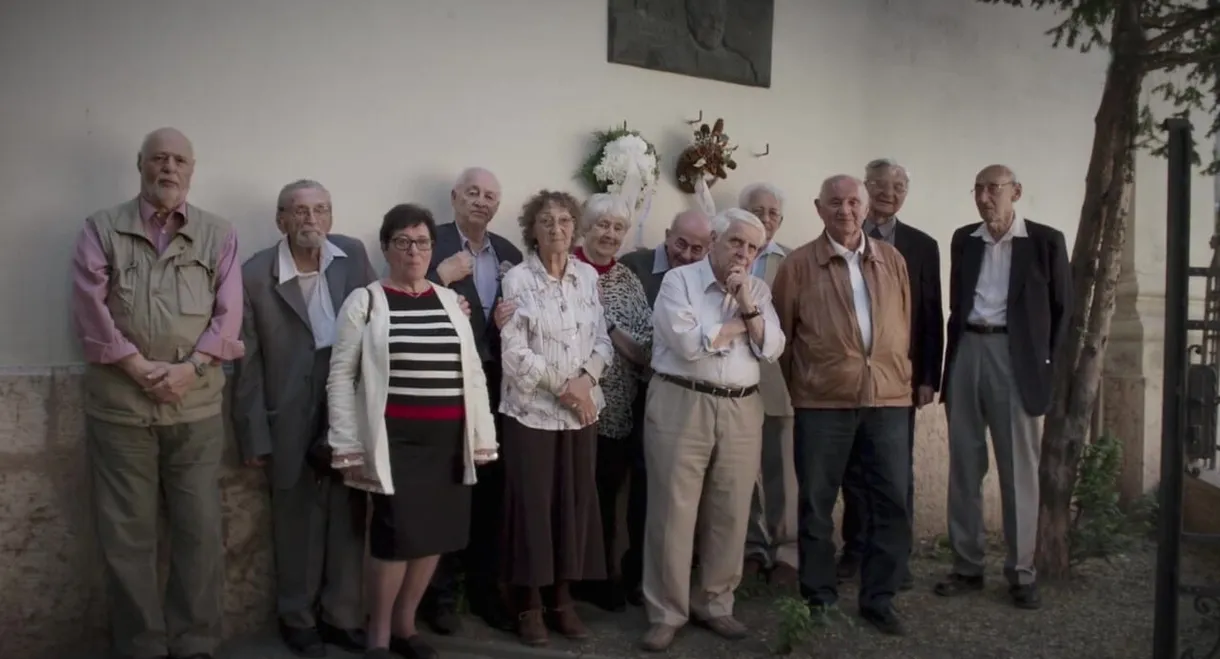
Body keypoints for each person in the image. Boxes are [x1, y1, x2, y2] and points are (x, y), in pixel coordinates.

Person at [70, 127, 244, 659]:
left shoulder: (219, 233)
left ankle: (197, 644)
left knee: (199, 533)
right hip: (121, 408)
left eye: (178, 161)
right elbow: (89, 308)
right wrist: (137, 365)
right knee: (127, 539)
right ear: (140, 165)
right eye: (158, 159)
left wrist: (191, 367)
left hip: (196, 407)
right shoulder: (101, 228)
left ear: (192, 170)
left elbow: (229, 312)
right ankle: (140, 647)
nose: (168, 169)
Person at [327, 203, 499, 659]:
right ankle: (379, 635)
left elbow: (473, 373)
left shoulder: (448, 301)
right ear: (386, 247)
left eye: (422, 242)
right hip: (394, 443)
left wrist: (483, 435)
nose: (413, 251)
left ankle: (406, 627)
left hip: (447, 441)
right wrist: (345, 441)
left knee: (435, 535)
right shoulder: (366, 301)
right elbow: (341, 375)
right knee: (393, 537)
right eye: (402, 242)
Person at [231, 180, 374, 656]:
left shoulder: (352, 255)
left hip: (347, 398)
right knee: (295, 517)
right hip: (289, 406)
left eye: (320, 210)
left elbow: (377, 326)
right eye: (299, 211)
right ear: (281, 221)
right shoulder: (255, 273)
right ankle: (297, 616)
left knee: (349, 510)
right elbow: (246, 361)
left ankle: (343, 615)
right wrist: (254, 434)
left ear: (331, 217)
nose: (310, 219)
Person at [771, 175, 913, 635]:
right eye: (835, 203)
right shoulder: (797, 265)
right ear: (818, 208)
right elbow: (784, 339)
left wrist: (896, 378)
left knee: (889, 501)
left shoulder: (892, 260)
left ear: (867, 207)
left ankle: (880, 597)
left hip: (888, 400)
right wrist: (811, 383)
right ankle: (818, 596)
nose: (846, 210)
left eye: (854, 202)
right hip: (822, 403)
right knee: (816, 502)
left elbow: (904, 323)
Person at [640, 208, 784, 652]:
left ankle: (716, 604)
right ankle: (667, 612)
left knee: (731, 511)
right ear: (716, 240)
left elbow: (773, 347)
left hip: (742, 409)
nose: (743, 253)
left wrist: (744, 306)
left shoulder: (756, 289)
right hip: (681, 400)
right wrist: (744, 325)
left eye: (752, 247)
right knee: (673, 512)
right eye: (735, 242)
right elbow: (687, 344)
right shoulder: (678, 282)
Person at [935, 165, 1071, 610]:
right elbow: (957, 303)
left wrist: (1043, 368)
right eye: (979, 188)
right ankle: (967, 566)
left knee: (1019, 470)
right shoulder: (964, 240)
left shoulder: (1046, 242)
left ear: (1016, 191)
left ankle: (1021, 571)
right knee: (964, 465)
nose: (985, 196)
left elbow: (1062, 312)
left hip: (1017, 358)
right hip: (968, 350)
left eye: (995, 188)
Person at [498, 190, 613, 646]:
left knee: (574, 506)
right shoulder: (516, 280)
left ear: (576, 227)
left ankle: (563, 602)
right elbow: (514, 352)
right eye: (547, 220)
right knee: (533, 509)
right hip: (532, 415)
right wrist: (563, 389)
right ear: (533, 228)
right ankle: (528, 606)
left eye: (565, 220)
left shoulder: (587, 276)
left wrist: (585, 382)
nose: (557, 228)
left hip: (581, 413)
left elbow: (603, 339)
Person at [423, 167, 523, 633]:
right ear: (454, 198)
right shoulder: (429, 243)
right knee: (443, 490)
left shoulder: (509, 253)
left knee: (489, 492)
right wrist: (440, 277)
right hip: (442, 385)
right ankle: (437, 597)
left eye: (490, 196)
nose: (482, 202)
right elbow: (397, 303)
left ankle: (485, 590)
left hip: (496, 387)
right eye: (473, 193)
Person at [838, 159, 944, 591]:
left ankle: (896, 559)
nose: (890, 192)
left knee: (897, 473)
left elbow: (932, 314)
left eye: (899, 186)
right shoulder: (844, 238)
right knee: (854, 468)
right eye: (881, 184)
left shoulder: (922, 245)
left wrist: (927, 377)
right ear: (866, 189)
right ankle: (856, 550)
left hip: (900, 378)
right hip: (850, 378)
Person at [617, 208, 713, 605]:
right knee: (631, 486)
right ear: (667, 234)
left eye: (697, 248)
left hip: (681, 398)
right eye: (680, 243)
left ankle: (663, 575)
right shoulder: (634, 266)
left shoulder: (709, 277)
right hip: (628, 393)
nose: (687, 254)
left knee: (662, 488)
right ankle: (627, 573)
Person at [571, 193, 653, 612]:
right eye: (602, 224)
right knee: (568, 494)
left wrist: (610, 325)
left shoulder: (626, 279)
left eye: (618, 228)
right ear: (584, 226)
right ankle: (563, 579)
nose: (610, 234)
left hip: (616, 407)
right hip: (566, 402)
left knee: (604, 494)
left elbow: (644, 346)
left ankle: (596, 577)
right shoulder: (563, 268)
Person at [738, 183, 798, 587]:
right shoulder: (725, 255)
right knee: (739, 472)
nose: (765, 217)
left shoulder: (794, 262)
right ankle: (749, 549)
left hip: (780, 379)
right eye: (757, 210)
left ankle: (787, 553)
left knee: (784, 471)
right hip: (734, 380)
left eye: (773, 212)